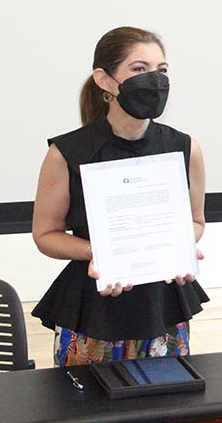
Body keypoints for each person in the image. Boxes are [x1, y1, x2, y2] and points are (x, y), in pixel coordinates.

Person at [31, 27, 208, 366]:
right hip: (93, 305)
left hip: (163, 302)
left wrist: (179, 246)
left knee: (166, 402)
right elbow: (45, 235)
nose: (154, 80)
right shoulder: (67, 152)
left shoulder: (185, 148)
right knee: (86, 407)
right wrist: (102, 254)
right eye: (139, 69)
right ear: (105, 80)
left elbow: (196, 222)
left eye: (162, 70)